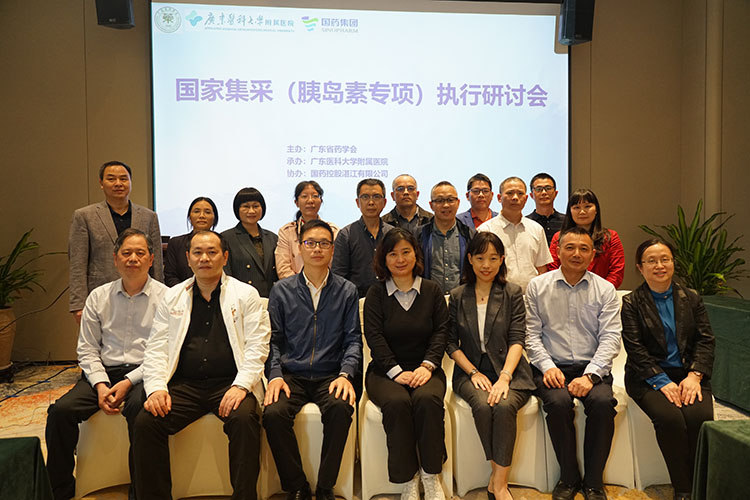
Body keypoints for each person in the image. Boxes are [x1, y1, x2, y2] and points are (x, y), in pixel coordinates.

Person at [133, 230, 271, 500]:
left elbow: (258, 347)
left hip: (230, 384)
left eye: (212, 252)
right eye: (197, 253)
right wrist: (157, 388)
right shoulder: (173, 297)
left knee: (244, 420)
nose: (204, 258)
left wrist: (241, 386)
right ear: (188, 258)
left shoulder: (246, 295)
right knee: (146, 422)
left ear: (225, 257)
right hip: (185, 385)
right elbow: (157, 349)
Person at [46, 229, 168, 500]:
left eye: (140, 253)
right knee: (60, 412)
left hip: (145, 373)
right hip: (103, 372)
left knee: (141, 412)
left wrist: (128, 382)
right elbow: (87, 349)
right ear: (115, 259)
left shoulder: (167, 298)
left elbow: (164, 352)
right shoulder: (98, 297)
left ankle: (141, 492)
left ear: (151, 260)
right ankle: (60, 490)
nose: (133, 258)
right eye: (126, 253)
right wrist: (101, 385)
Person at [264, 219, 362, 500]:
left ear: (332, 249)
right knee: (273, 413)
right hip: (291, 374)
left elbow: (353, 339)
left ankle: (326, 486)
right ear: (300, 248)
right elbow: (273, 340)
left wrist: (345, 374)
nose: (317, 249)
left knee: (341, 408)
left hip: (330, 374)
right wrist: (275, 375)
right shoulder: (281, 290)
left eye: (324, 243)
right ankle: (297, 485)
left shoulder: (347, 290)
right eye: (310, 243)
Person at [525, 227, 621, 500]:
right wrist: (547, 366)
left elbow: (611, 337)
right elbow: (531, 335)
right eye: (570, 247)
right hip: (551, 366)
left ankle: (593, 482)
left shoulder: (605, 289)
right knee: (558, 403)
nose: (576, 254)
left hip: (592, 368)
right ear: (557, 252)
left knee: (603, 404)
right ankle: (568, 477)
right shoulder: (537, 286)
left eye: (583, 249)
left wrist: (590, 376)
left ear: (592, 254)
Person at [621, 239, 714, 500]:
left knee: (699, 418)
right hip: (647, 377)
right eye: (651, 261)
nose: (659, 265)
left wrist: (695, 375)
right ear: (640, 267)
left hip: (688, 375)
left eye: (665, 259)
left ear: (673, 263)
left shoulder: (691, 297)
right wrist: (661, 381)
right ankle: (683, 490)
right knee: (670, 419)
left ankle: (700, 485)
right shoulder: (632, 302)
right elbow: (635, 349)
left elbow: (706, 340)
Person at [447, 232, 534, 500]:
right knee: (484, 406)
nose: (486, 265)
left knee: (505, 406)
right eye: (480, 258)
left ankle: (498, 482)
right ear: (470, 259)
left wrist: (505, 377)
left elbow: (518, 339)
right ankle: (498, 480)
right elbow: (450, 343)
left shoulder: (512, 293)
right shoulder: (458, 295)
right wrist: (473, 372)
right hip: (471, 370)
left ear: (502, 260)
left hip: (510, 369)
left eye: (493, 258)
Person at [363, 228, 449, 500]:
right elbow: (374, 337)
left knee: (427, 400)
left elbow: (441, 332)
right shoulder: (376, 294)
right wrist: (395, 371)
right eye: (392, 254)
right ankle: (408, 478)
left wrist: (427, 366)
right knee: (397, 403)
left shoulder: (432, 290)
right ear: (383, 259)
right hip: (384, 371)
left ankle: (430, 474)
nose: (400, 259)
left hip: (426, 368)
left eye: (406, 252)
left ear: (416, 255)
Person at [69, 160, 163, 324]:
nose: (118, 183)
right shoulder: (84, 216)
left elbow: (156, 263)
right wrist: (78, 305)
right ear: (101, 183)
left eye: (123, 179)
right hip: (100, 298)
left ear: (131, 182)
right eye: (111, 179)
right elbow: (77, 263)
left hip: (143, 297)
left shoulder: (149, 216)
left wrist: (162, 298)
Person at [478, 176, 551, 292]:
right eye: (510, 193)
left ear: (526, 199)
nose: (515, 197)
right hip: (497, 295)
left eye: (520, 193)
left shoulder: (536, 229)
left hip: (531, 296)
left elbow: (542, 269)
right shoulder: (486, 230)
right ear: (499, 198)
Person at [548, 188, 625, 288]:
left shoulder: (610, 237)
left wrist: (601, 291)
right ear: (570, 211)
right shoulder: (559, 237)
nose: (582, 212)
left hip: (601, 293)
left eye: (587, 206)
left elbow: (617, 271)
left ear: (596, 210)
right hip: (563, 291)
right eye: (576, 207)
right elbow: (553, 268)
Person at [332, 178, 394, 297]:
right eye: (365, 197)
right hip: (356, 300)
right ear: (357, 202)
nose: (371, 202)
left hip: (389, 300)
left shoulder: (392, 234)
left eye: (376, 197)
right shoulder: (346, 234)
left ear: (384, 202)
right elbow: (338, 276)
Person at [417, 181, 476, 293]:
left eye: (450, 200)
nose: (446, 205)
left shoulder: (470, 235)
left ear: (458, 203)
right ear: (431, 205)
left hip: (462, 299)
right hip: (429, 299)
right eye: (439, 200)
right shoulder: (419, 235)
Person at [275, 181, 339, 279]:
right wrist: (299, 285)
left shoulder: (333, 231)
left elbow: (337, 266)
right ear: (296, 202)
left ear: (321, 201)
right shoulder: (286, 232)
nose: (310, 200)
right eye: (304, 196)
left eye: (315, 196)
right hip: (294, 286)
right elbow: (283, 269)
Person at [222, 187, 278, 297]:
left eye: (256, 206)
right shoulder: (226, 238)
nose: (251, 211)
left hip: (271, 299)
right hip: (240, 299)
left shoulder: (273, 238)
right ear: (237, 209)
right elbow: (226, 275)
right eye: (246, 206)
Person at [164, 196, 218, 286]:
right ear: (189, 217)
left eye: (207, 212)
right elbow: (170, 277)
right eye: (196, 211)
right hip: (182, 292)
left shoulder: (222, 242)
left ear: (214, 218)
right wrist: (187, 291)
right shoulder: (176, 243)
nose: (202, 216)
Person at [526, 173, 565, 245]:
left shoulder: (566, 221)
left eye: (548, 188)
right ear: (531, 195)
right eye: (539, 189)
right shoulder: (525, 223)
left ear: (555, 193)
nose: (544, 192)